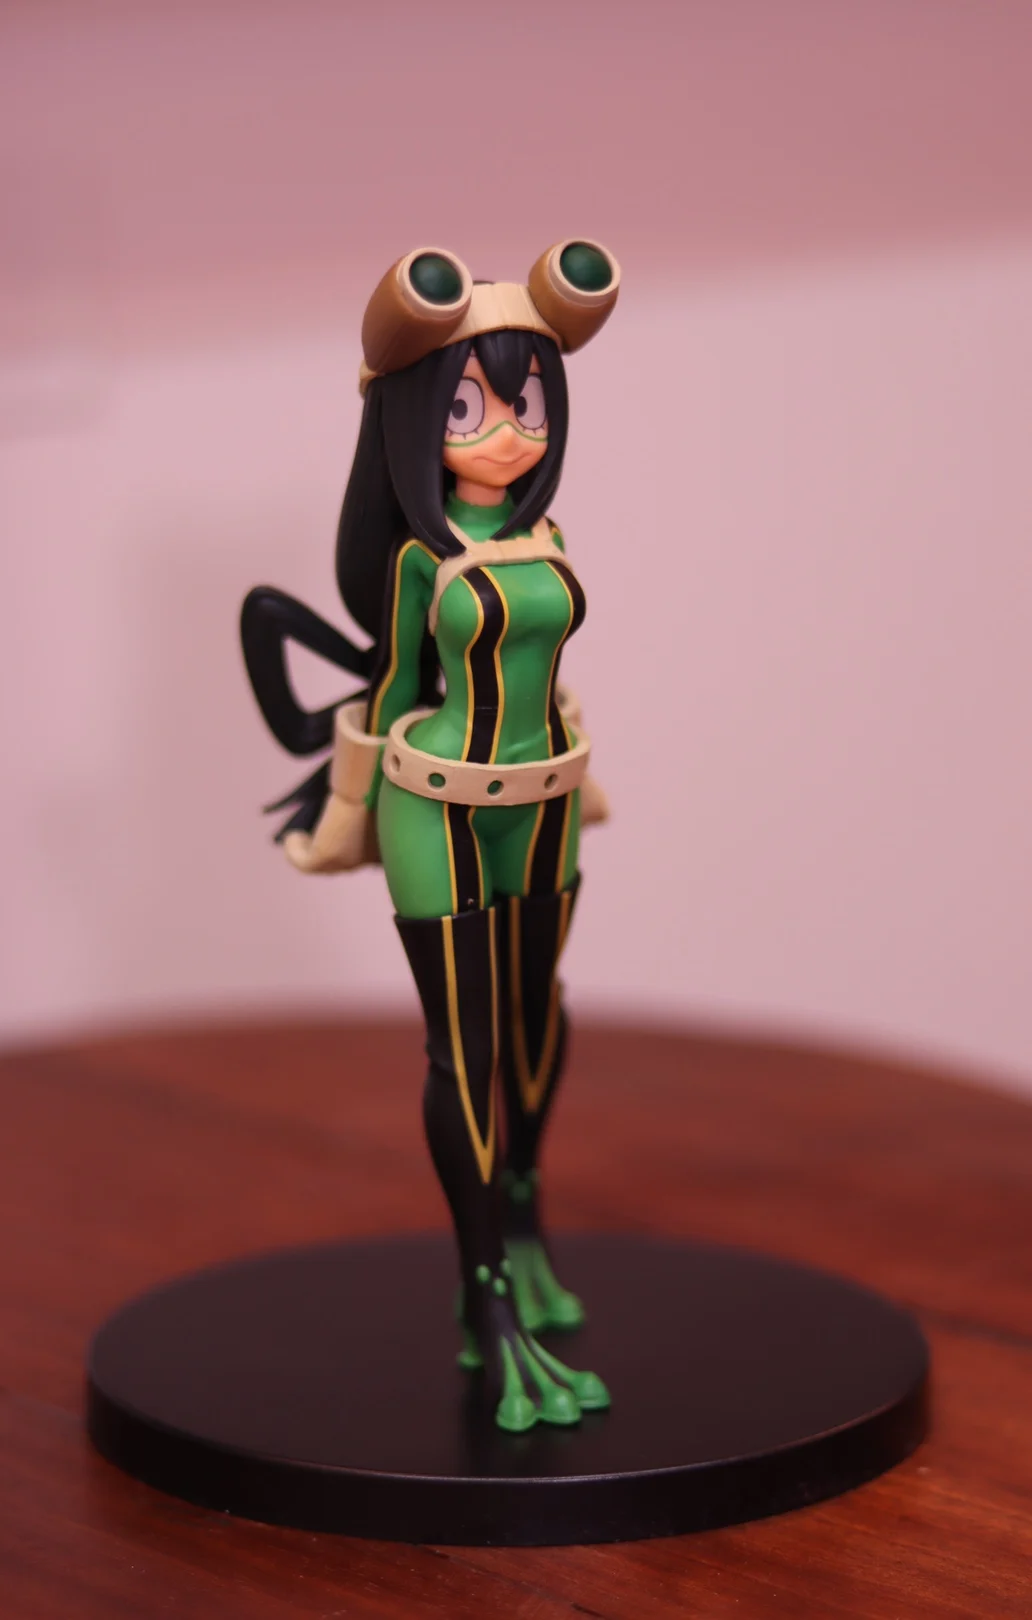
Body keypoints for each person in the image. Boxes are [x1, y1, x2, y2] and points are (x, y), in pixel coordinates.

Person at [241, 241, 620, 1432]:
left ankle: (526, 1221)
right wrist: (343, 808)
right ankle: (484, 1296)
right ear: (416, 419)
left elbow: (543, 676)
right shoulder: (420, 560)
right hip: (437, 806)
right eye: (468, 408)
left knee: (540, 1016)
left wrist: (577, 767)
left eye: (527, 404)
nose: (505, 433)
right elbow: (397, 687)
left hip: (544, 801)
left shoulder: (550, 540)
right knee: (464, 1050)